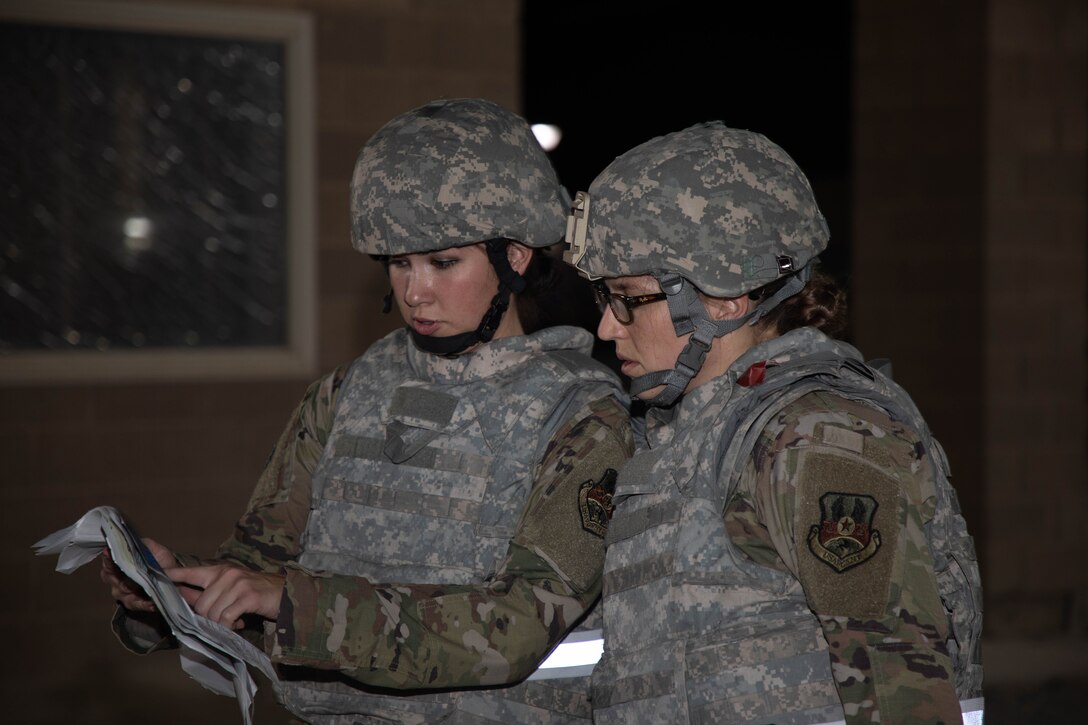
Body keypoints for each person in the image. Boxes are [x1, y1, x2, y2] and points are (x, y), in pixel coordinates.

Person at [100, 98, 633, 723]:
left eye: (442, 262)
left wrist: (296, 606)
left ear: (514, 256)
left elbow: (514, 628)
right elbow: (261, 566)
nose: (413, 291)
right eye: (398, 263)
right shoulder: (347, 393)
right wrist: (175, 591)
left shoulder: (583, 416)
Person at [563, 123, 984, 724]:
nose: (607, 327)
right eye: (603, 298)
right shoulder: (690, 432)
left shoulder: (812, 436)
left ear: (723, 299)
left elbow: (901, 684)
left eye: (629, 297)